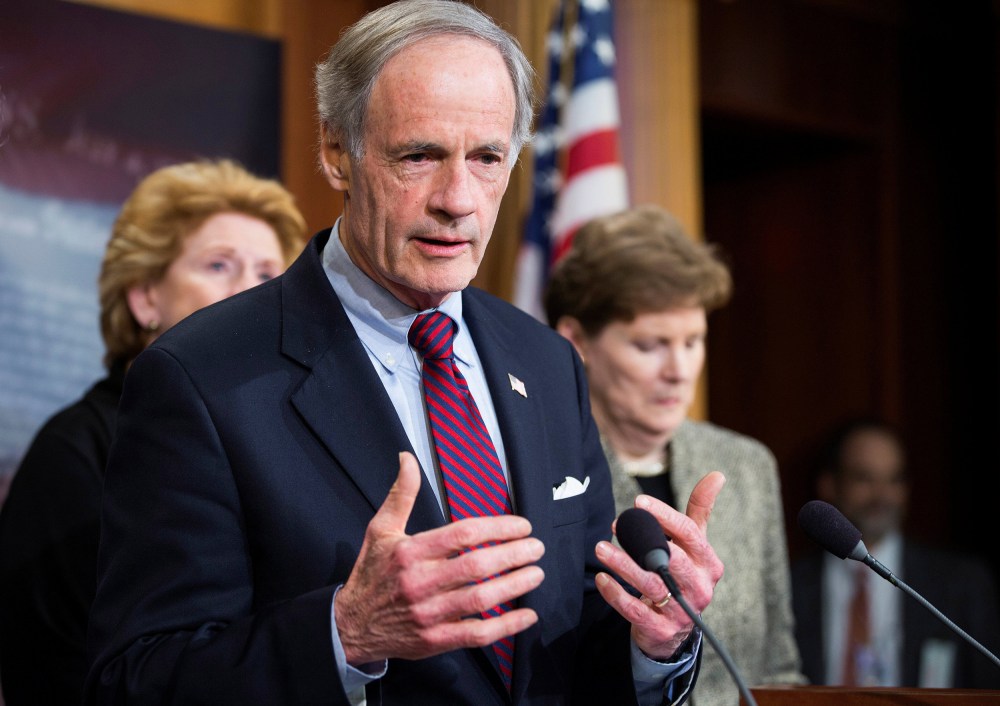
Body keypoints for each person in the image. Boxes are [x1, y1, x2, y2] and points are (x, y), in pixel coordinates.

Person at [82, 2, 729, 705]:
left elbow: (569, 649)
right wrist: (345, 634)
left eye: (487, 159)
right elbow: (136, 680)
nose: (458, 200)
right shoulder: (202, 378)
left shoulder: (546, 362)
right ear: (337, 152)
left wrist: (653, 642)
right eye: (419, 156)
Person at [0, 158, 307, 706]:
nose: (251, 291)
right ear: (144, 297)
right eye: (219, 265)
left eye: (267, 274)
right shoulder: (74, 452)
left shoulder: (288, 442)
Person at [543, 204, 807, 705]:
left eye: (693, 341)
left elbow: (778, 666)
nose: (679, 370)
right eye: (650, 345)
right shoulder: (540, 470)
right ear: (576, 341)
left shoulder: (745, 465)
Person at [791, 416, 1000, 688]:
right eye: (864, 478)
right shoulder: (790, 584)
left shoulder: (962, 583)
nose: (882, 496)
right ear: (829, 484)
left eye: (894, 480)